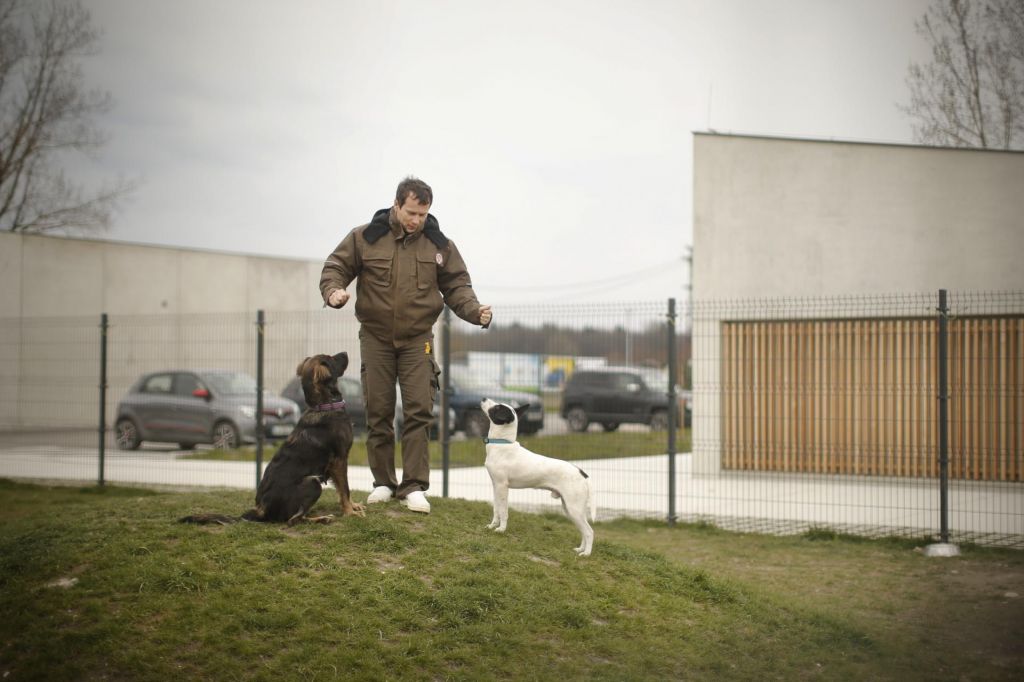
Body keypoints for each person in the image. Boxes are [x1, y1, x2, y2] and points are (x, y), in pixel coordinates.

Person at [320, 177, 491, 514]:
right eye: (412, 212)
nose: (416, 220)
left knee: (419, 410)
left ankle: (413, 487)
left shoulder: (438, 245)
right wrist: (334, 292)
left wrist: (476, 312)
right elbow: (335, 267)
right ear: (397, 205)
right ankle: (384, 483)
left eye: (423, 214)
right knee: (379, 411)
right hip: (375, 337)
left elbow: (457, 286)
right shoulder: (365, 237)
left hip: (417, 340)